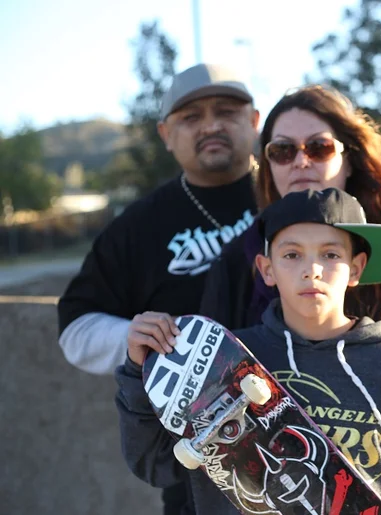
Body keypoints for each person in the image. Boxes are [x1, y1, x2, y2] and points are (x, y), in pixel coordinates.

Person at [199, 84, 381, 471]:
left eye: (318, 148)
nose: (300, 162)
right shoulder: (241, 260)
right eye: (282, 151)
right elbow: (210, 381)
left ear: (350, 158)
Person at [115, 187, 381, 515]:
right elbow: (156, 464)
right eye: (292, 255)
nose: (311, 270)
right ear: (268, 269)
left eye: (330, 254)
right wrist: (136, 368)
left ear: (355, 268)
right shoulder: (222, 362)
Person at [56, 63, 261, 515]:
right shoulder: (137, 227)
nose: (210, 124)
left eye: (226, 111)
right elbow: (75, 326)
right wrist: (137, 341)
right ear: (166, 133)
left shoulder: (289, 195)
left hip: (313, 450)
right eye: (190, 117)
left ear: (254, 121)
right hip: (199, 477)